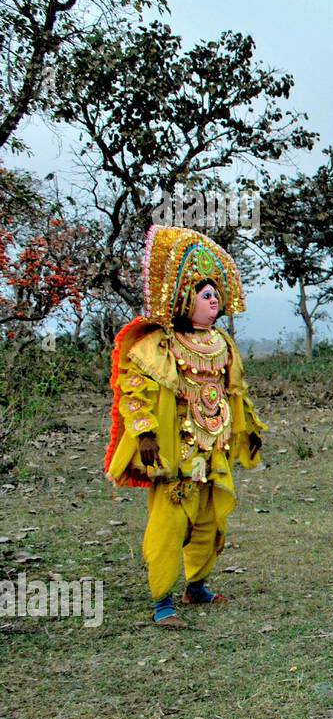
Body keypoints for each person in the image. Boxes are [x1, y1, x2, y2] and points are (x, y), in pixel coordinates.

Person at [104, 226, 266, 628]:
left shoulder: (223, 342)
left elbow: (236, 390)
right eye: (206, 296)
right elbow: (133, 389)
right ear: (184, 299)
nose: (215, 303)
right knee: (171, 521)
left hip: (216, 448)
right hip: (176, 450)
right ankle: (162, 600)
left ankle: (197, 586)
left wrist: (250, 426)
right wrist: (143, 433)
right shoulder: (158, 344)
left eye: (216, 296)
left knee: (210, 519)